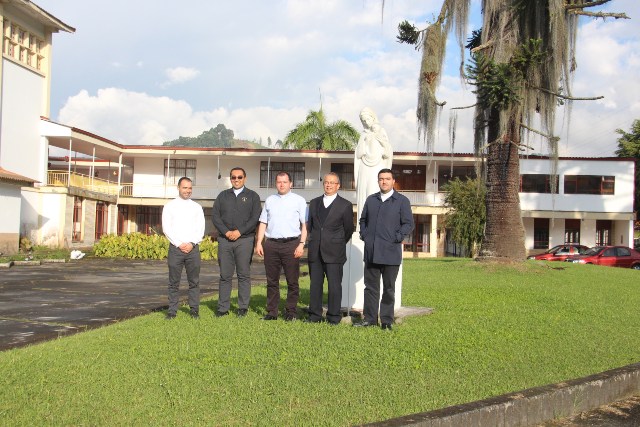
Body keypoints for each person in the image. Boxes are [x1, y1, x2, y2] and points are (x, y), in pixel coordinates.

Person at [355, 168, 414, 330]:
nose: (384, 181)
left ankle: (387, 320)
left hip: (390, 252)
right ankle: (369, 319)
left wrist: (396, 237)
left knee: (389, 289)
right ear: (378, 181)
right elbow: (363, 220)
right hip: (372, 252)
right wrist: (365, 235)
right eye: (381, 179)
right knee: (371, 288)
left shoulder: (402, 201)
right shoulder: (371, 200)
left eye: (387, 179)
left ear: (393, 181)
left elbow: (408, 224)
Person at [255, 171, 308, 321]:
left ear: (291, 183)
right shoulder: (270, 200)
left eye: (285, 182)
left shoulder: (299, 200)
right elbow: (263, 222)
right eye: (279, 182)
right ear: (275, 183)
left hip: (291, 244)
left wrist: (301, 244)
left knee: (292, 281)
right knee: (272, 281)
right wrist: (259, 242)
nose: (282, 184)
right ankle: (272, 312)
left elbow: (305, 224)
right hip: (271, 244)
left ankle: (291, 312)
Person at [211, 167, 261, 317]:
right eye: (233, 177)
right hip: (225, 240)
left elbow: (255, 218)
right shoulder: (222, 196)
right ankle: (223, 308)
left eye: (239, 177)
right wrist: (226, 232)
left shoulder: (253, 196)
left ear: (245, 178)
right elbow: (215, 216)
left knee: (243, 275)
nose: (236, 180)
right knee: (225, 275)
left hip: (245, 240)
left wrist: (240, 231)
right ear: (230, 179)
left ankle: (242, 307)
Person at [305, 172, 354, 325]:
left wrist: (336, 242)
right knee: (315, 286)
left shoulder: (345, 205)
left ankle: (333, 317)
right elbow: (311, 226)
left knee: (334, 286)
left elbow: (348, 229)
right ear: (323, 184)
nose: (329, 185)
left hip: (334, 252)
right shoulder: (313, 203)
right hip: (315, 251)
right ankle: (315, 316)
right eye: (326, 182)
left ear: (338, 185)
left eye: (332, 182)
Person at [162, 177, 205, 319]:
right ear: (178, 188)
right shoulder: (170, 206)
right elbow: (166, 228)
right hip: (176, 249)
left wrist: (192, 243)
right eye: (185, 187)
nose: (187, 190)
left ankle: (194, 310)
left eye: (190, 188)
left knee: (194, 282)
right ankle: (172, 311)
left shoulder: (197, 207)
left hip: (193, 249)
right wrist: (179, 243)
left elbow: (200, 229)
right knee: (174, 282)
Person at [354, 107, 393, 223]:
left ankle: (374, 223)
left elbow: (387, 153)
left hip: (377, 167)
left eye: (367, 119)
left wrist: (381, 141)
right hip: (364, 168)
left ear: (373, 117)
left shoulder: (381, 132)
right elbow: (359, 154)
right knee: (363, 196)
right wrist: (364, 141)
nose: (366, 122)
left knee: (374, 191)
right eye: (363, 120)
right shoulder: (363, 135)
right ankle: (362, 225)